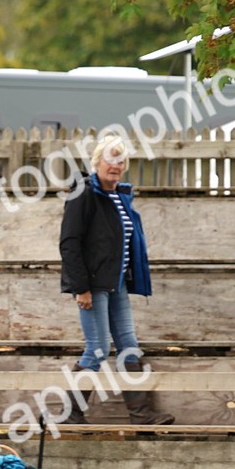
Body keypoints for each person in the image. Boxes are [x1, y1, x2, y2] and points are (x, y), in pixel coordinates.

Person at [58, 134, 174, 425]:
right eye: (110, 158)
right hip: (92, 286)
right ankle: (69, 414)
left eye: (121, 159)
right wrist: (81, 288)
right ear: (97, 161)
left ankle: (141, 415)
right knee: (96, 348)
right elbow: (69, 243)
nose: (116, 164)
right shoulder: (83, 192)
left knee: (129, 345)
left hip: (116, 283)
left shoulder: (119, 196)